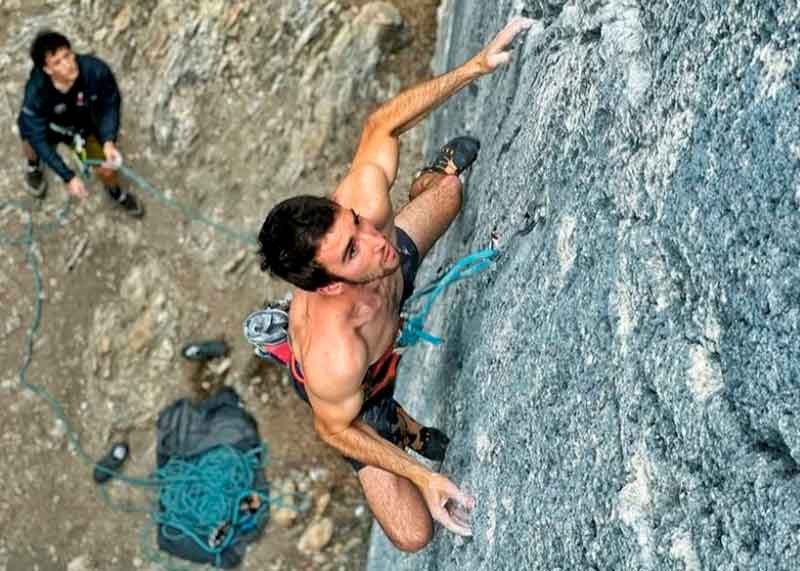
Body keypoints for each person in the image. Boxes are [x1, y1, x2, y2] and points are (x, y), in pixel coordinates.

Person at [256, 17, 534, 551]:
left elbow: (380, 126)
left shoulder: (364, 216)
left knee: (448, 193)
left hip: (389, 292)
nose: (371, 234)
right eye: (351, 249)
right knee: (411, 534)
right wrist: (420, 476)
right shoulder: (334, 355)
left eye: (354, 223)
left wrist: (474, 67)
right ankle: (396, 422)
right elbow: (333, 430)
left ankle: (424, 182)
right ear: (328, 285)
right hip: (362, 390)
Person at [17, 30, 143, 217]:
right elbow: (38, 137)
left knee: (106, 167)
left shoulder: (95, 71)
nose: (68, 65)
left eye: (67, 55)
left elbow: (110, 103)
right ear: (47, 70)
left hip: (82, 129)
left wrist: (108, 140)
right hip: (50, 127)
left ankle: (116, 193)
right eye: (58, 62)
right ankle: (34, 166)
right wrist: (68, 176)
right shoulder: (36, 93)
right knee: (28, 137)